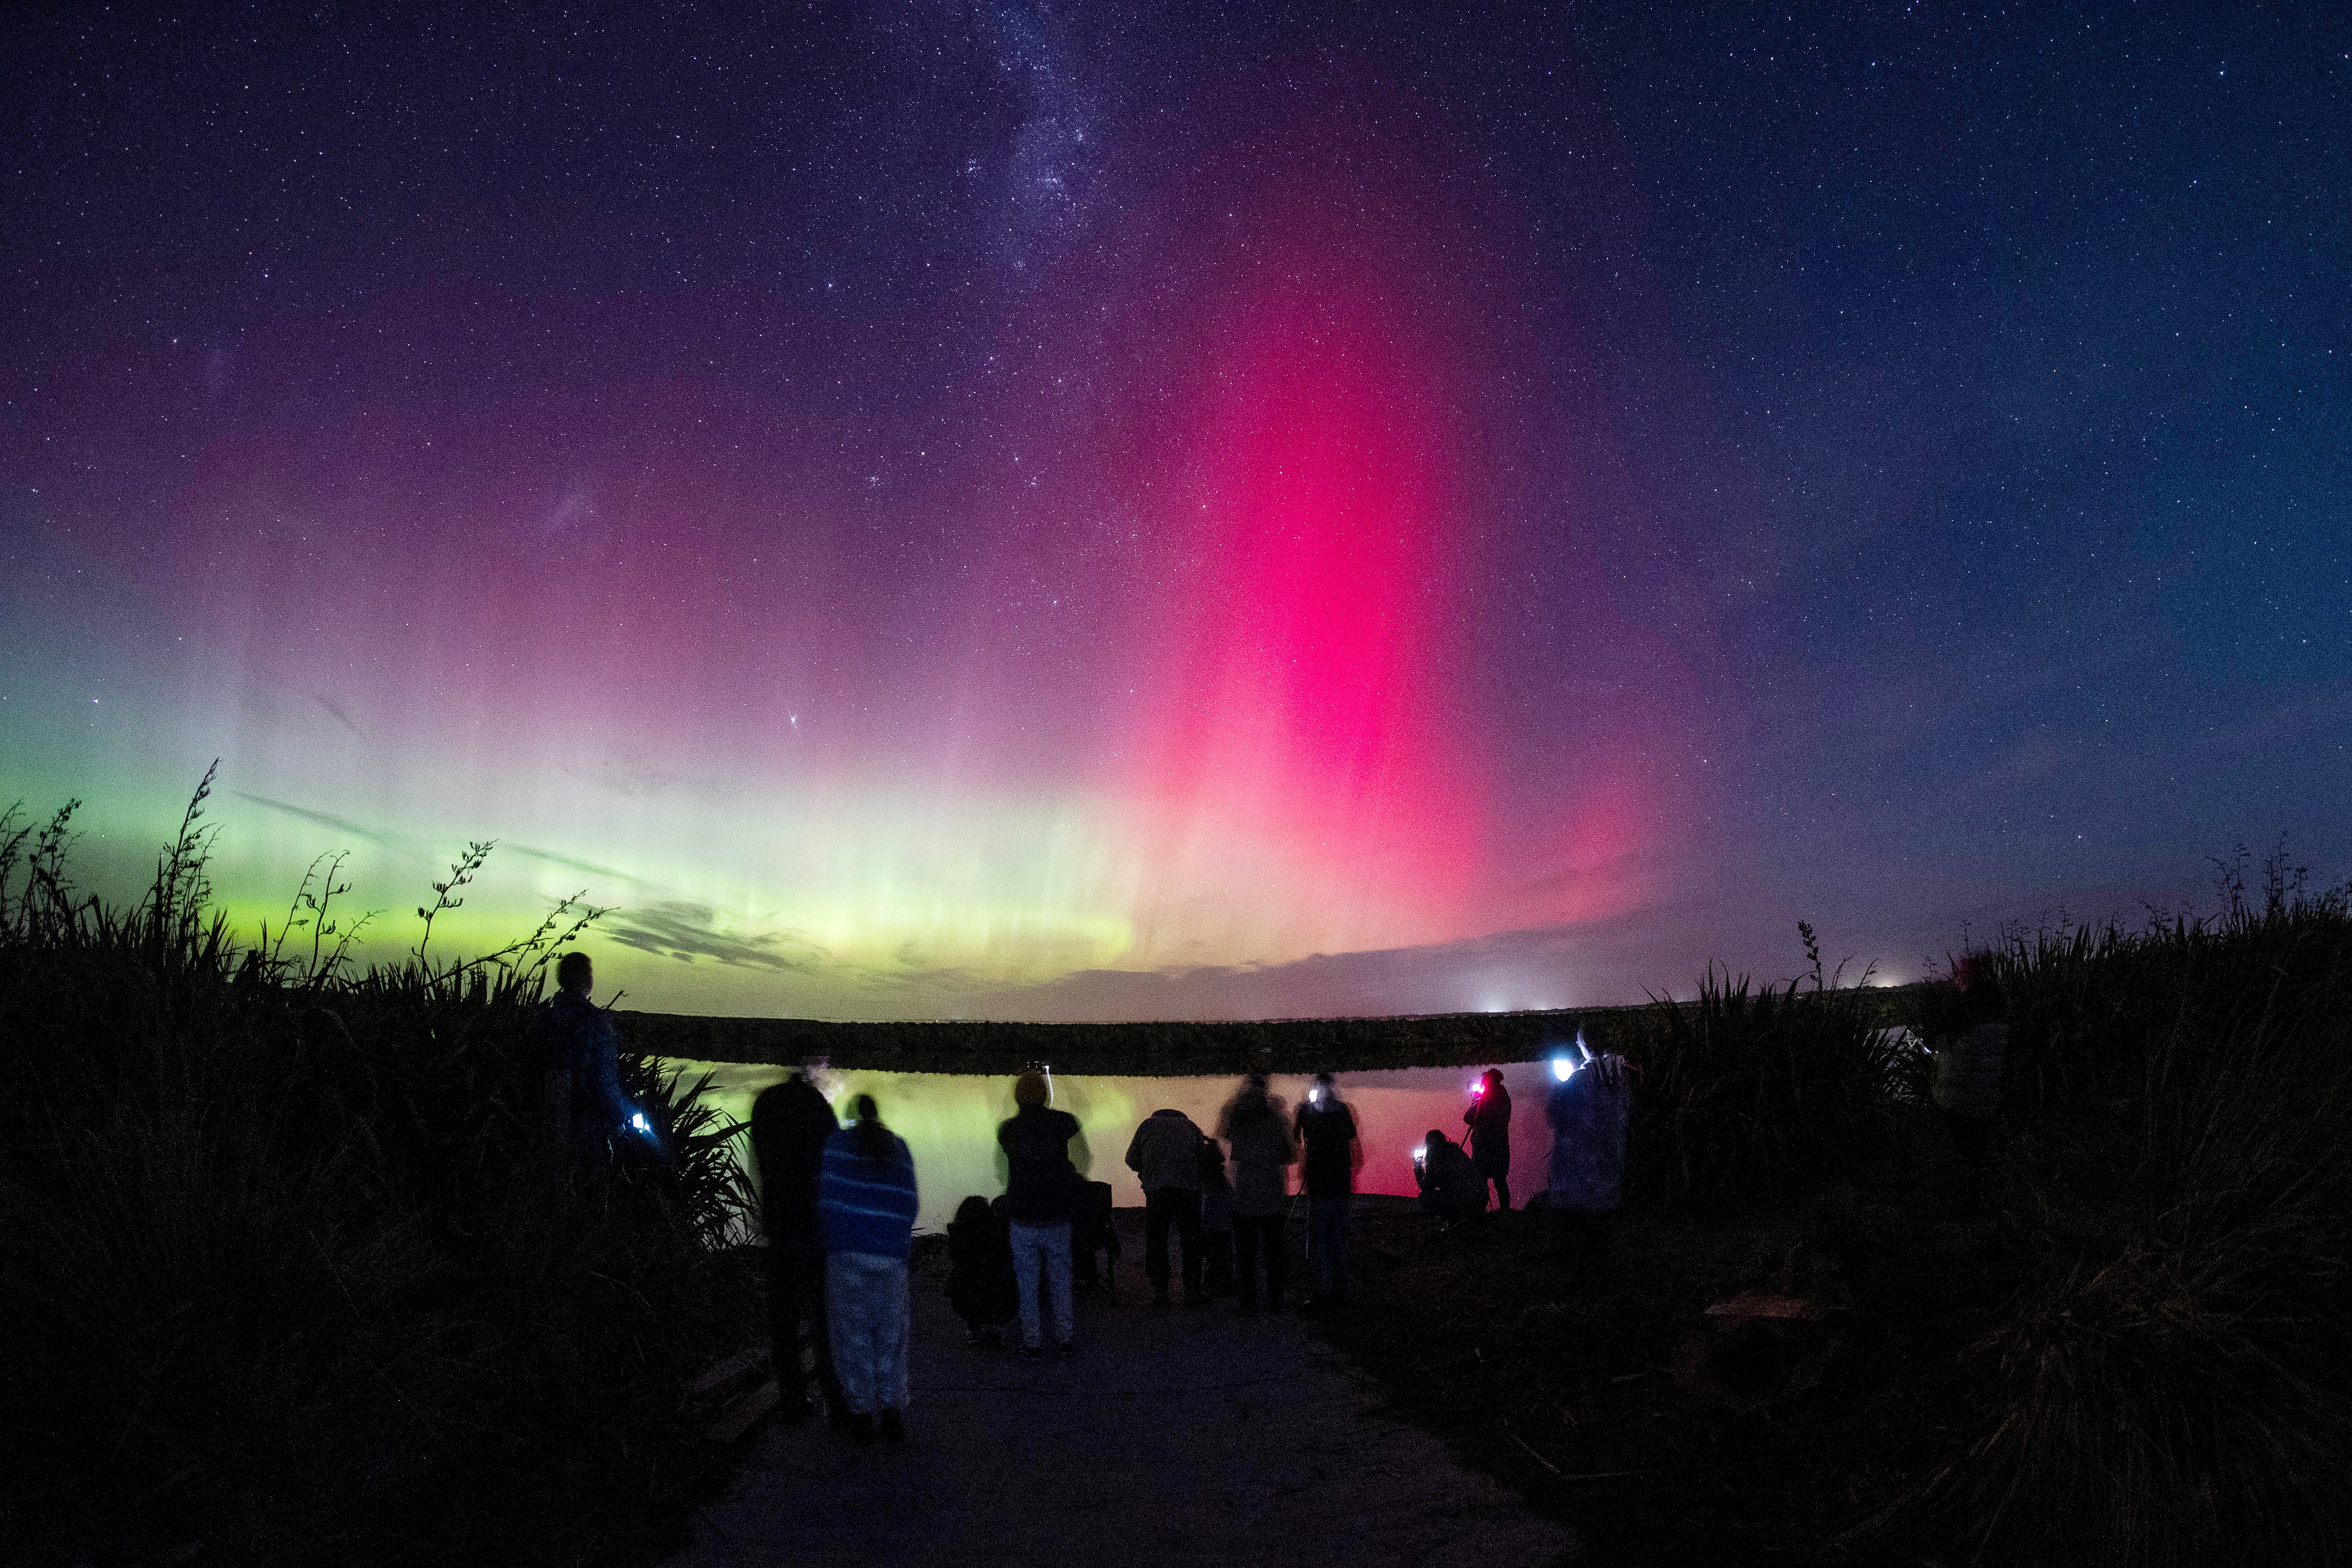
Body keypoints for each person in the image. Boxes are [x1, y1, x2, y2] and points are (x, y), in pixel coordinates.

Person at [818, 1093, 919, 1445]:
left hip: (847, 1257)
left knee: (851, 1338)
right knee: (891, 1339)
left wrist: (834, 1240)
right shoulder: (899, 1148)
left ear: (851, 1118)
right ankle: (891, 1413)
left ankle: (861, 1414)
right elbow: (909, 1202)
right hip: (890, 1259)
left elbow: (828, 1201)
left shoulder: (836, 1145)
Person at [750, 1062, 846, 1422]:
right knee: (826, 1319)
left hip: (780, 1225)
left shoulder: (767, 1104)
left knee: (784, 1320)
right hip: (814, 1228)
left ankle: (792, 1399)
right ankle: (835, 1398)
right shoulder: (816, 1107)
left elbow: (761, 1161)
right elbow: (834, 1164)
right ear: (814, 1071)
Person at [997, 1070, 1084, 1358]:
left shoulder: (1007, 1130)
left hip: (1023, 1214)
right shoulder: (1063, 1123)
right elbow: (1076, 1134)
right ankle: (1065, 1338)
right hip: (1057, 1214)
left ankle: (1032, 1342)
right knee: (1061, 1279)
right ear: (1045, 1095)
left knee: (1027, 1282)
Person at [538, 952, 645, 1169]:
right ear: (588, 979)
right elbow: (604, 1081)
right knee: (590, 1188)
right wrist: (622, 1117)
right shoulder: (596, 1023)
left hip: (545, 1121)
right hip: (586, 1126)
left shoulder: (545, 1018)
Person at [1545, 1045, 1632, 1271]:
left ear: (1584, 1047)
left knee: (1580, 1231)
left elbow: (1556, 1113)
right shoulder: (1620, 1078)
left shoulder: (1580, 1080)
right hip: (1609, 1166)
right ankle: (1602, 1272)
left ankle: (1581, 1275)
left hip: (1582, 1170)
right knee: (1601, 1229)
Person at [1932, 953, 2006, 1216]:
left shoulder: (1960, 1005)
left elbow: (1939, 1031)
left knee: (1961, 1153)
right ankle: (1986, 1200)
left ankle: (1967, 1207)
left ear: (1965, 976)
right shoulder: (2000, 1002)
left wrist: (1953, 995)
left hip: (1958, 1096)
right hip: (1989, 1093)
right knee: (1981, 1152)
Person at [1218, 1073, 1297, 1315]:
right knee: (1274, 1247)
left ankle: (1248, 1297)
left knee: (1246, 1249)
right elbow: (1289, 1155)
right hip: (1272, 1189)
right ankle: (1275, 1297)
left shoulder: (1237, 1116)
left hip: (1245, 1190)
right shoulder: (1276, 1118)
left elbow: (1224, 1135)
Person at [1125, 1106, 1209, 1307]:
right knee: (1190, 1241)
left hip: (1157, 1191)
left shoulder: (1147, 1126)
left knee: (1157, 1240)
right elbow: (1203, 1161)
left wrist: (1147, 1171)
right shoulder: (1191, 1127)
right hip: (1188, 1191)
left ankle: (1161, 1291)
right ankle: (1192, 1290)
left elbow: (1131, 1158)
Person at [1293, 1071, 1360, 1312]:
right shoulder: (1342, 1110)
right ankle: (1340, 1291)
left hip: (1320, 1183)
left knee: (1319, 1239)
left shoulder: (1306, 1111)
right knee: (1338, 1237)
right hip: (1339, 1182)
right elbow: (1352, 1135)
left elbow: (1296, 1138)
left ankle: (1322, 1293)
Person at [945, 1195, 1018, 1348]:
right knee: (997, 1286)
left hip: (967, 1281)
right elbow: (1006, 1254)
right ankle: (992, 1325)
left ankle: (974, 1328)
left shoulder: (958, 1231)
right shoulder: (998, 1230)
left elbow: (954, 1256)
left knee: (966, 1288)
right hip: (994, 1279)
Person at [1463, 1067, 1513, 1212]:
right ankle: (1506, 1211)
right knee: (1500, 1181)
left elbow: (1469, 1118)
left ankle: (1481, 1212)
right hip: (1500, 1146)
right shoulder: (1505, 1097)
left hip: (1483, 1146)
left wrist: (1475, 1101)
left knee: (1481, 1181)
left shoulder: (1486, 1098)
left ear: (1488, 1081)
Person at [1415, 1129, 1485, 1227]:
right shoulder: (1455, 1151)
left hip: (1463, 1200)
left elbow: (1425, 1186)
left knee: (1424, 1198)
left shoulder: (1437, 1159)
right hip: (1479, 1198)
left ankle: (1454, 1218)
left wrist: (1418, 1169)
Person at [1196, 1133, 1236, 1297]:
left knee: (1211, 1256)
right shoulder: (1222, 1180)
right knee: (1224, 1256)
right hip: (1225, 1226)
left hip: (1211, 1227)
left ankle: (1211, 1285)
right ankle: (1225, 1284)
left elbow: (1203, 1206)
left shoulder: (1204, 1182)